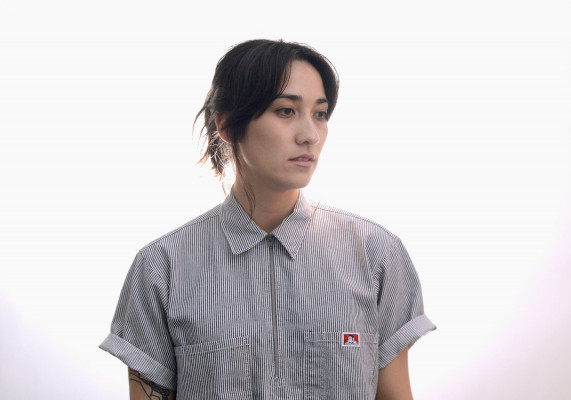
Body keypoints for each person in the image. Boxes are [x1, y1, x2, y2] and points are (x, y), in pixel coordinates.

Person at [100, 39, 435, 400]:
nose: (310, 135)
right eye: (286, 111)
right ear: (227, 125)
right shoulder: (161, 268)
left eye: (320, 114)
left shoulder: (376, 255)